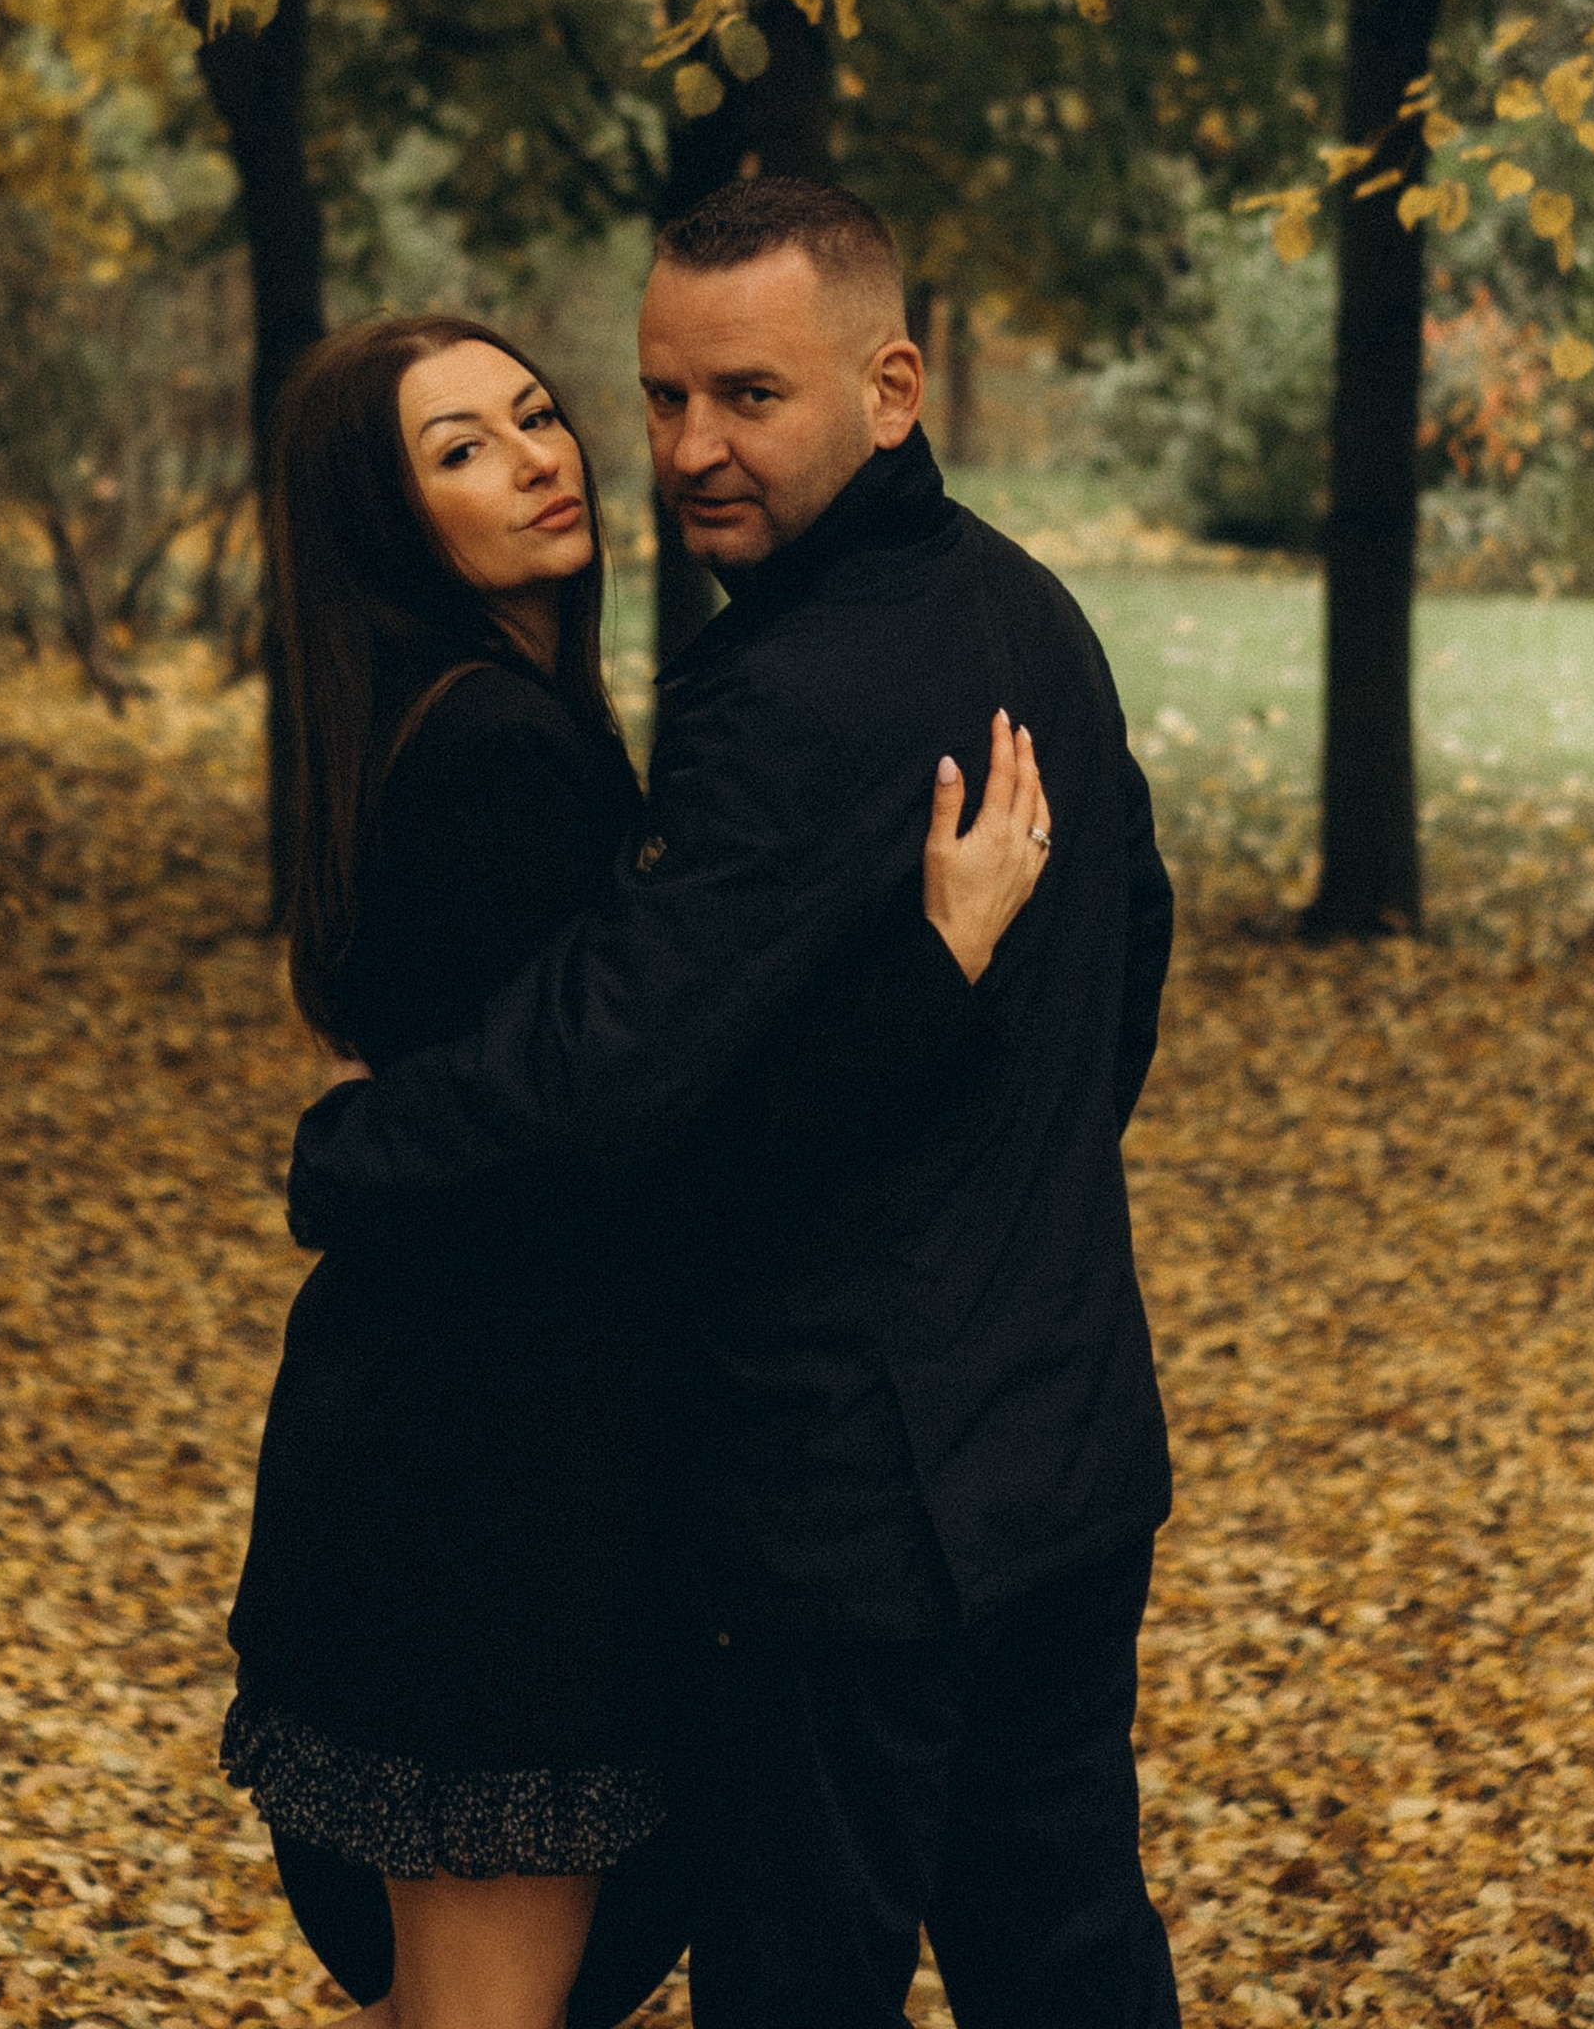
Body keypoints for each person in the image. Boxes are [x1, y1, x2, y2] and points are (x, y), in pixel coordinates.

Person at [290, 180, 1182, 2029]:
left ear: (890, 385)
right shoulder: (1034, 615)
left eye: (749, 400)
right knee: (1071, 1960)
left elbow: (615, 1077)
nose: (688, 450)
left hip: (846, 1503)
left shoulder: (781, 693)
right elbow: (1120, 996)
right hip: (1068, 1451)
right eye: (660, 396)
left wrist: (355, 1150)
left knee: (803, 1987)